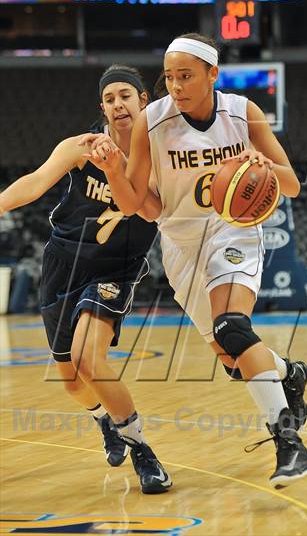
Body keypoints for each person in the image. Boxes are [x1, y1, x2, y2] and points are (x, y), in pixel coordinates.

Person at [82, 34, 307, 487]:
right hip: (180, 244)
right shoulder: (153, 121)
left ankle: (290, 444)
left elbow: (291, 185)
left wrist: (263, 165)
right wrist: (113, 171)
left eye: (186, 75)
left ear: (213, 74)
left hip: (234, 230)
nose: (176, 85)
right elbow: (138, 205)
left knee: (232, 326)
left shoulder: (243, 113)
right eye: (169, 76)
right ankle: (290, 372)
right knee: (232, 359)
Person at [0, 65, 172, 494]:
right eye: (110, 98)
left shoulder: (157, 157)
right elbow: (35, 182)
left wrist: (120, 166)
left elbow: (147, 210)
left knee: (90, 361)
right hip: (64, 263)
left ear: (143, 102)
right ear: (103, 107)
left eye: (125, 96)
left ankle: (143, 452)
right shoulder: (80, 147)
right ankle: (104, 419)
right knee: (72, 380)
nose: (118, 104)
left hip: (115, 268)